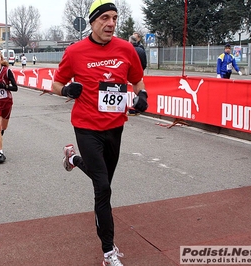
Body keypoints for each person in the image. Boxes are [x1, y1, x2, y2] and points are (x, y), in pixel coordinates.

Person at [51, 0, 148, 265]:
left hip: (115, 128)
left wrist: (143, 96)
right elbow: (56, 84)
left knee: (103, 180)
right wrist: (67, 90)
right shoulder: (75, 52)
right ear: (92, 21)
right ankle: (108, 251)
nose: (111, 23)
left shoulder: (127, 49)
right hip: (86, 127)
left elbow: (137, 81)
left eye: (114, 18)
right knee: (102, 187)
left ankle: (72, 160)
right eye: (105, 18)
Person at [128, 34, 147, 116]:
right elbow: (145, 62)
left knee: (131, 89)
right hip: (140, 72)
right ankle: (138, 107)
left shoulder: (129, 50)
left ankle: (133, 108)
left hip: (131, 73)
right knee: (138, 90)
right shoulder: (141, 49)